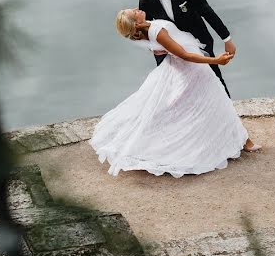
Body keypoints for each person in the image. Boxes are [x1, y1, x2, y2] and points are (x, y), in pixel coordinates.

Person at [89, 9, 260, 178]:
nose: (137, 9)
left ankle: (242, 141)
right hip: (193, 69)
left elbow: (162, 48)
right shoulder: (156, 32)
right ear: (138, 23)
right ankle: (244, 142)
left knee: (211, 103)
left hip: (184, 68)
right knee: (219, 102)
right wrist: (216, 61)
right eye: (134, 12)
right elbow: (185, 55)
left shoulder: (149, 29)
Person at [137, 0, 235, 97]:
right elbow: (147, 32)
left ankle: (227, 111)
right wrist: (155, 50)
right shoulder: (145, 0)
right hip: (171, 51)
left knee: (214, 78)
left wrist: (227, 39)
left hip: (199, 42)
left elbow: (208, 13)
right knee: (177, 89)